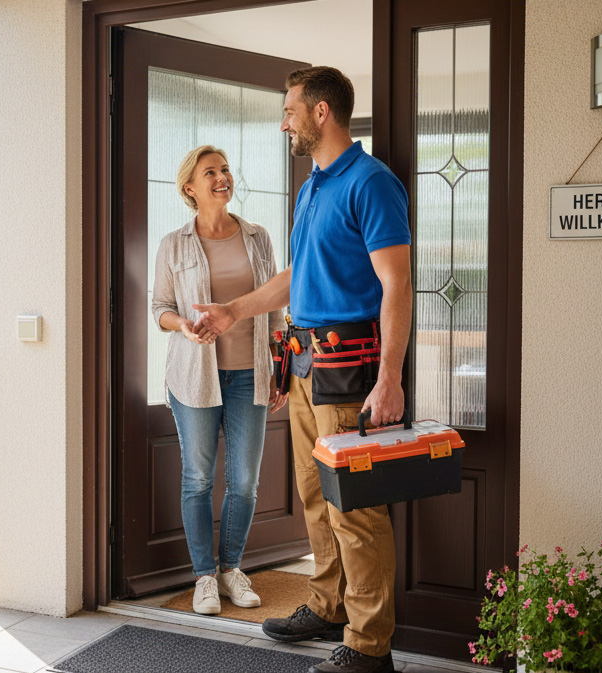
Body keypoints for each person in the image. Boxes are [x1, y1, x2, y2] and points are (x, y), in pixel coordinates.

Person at [192, 67, 412, 673]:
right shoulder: (312, 186)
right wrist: (234, 310)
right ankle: (328, 603)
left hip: (351, 368)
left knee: (356, 510)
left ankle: (370, 648)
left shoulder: (371, 184)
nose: (283, 120)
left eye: (290, 109)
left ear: (320, 113)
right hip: (306, 365)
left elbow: (397, 283)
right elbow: (298, 277)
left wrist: (389, 377)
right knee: (316, 497)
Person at [151, 145, 288, 616]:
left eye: (225, 169)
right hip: (193, 378)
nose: (222, 177)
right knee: (198, 478)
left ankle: (231, 569)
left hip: (250, 374)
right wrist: (183, 326)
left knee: (246, 482)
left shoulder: (257, 237)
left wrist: (279, 366)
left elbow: (274, 307)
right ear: (190, 187)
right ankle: (204, 577)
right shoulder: (173, 244)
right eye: (211, 172)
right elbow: (160, 309)